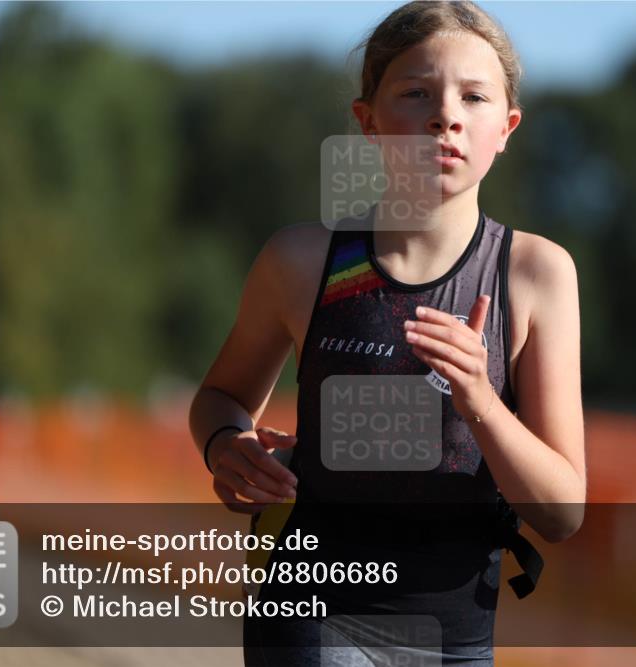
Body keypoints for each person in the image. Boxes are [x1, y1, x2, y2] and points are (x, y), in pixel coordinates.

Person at [188, 1, 586, 664]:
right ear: (367, 122)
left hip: (456, 636)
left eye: (474, 96)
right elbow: (220, 397)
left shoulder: (536, 273)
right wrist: (228, 446)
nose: (445, 116)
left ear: (506, 127)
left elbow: (562, 512)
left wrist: (481, 400)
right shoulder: (301, 261)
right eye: (416, 93)